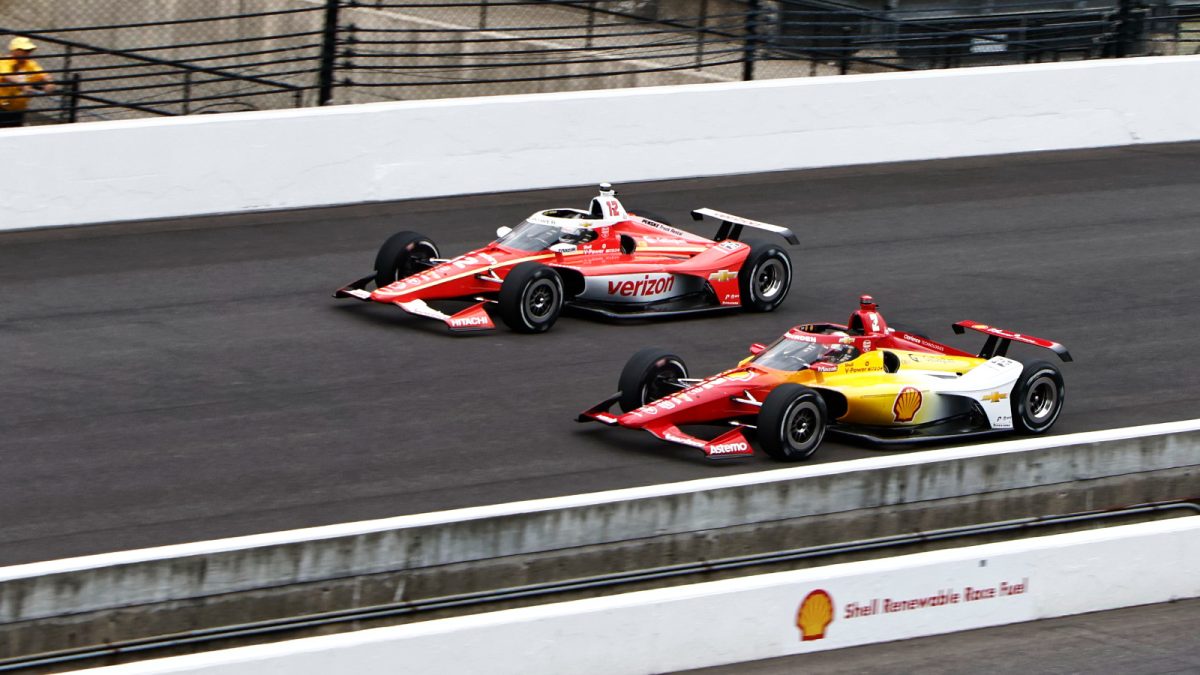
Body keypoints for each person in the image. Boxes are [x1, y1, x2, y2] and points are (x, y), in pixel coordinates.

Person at [0, 37, 56, 128]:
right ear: (15, 50)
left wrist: (49, 82)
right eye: (25, 50)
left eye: (29, 50)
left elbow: (43, 74)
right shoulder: (4, 62)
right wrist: (23, 83)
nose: (28, 53)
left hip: (18, 109)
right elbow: (7, 75)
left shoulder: (30, 64)